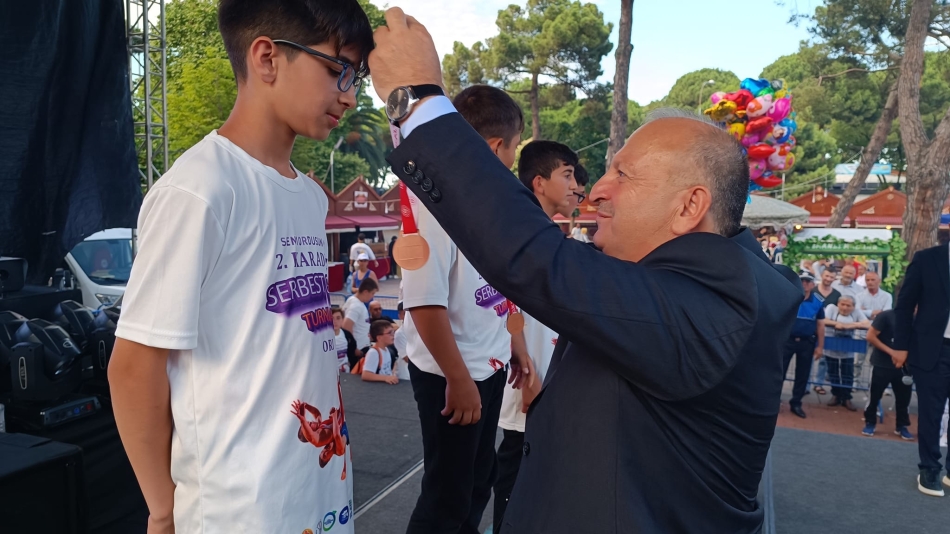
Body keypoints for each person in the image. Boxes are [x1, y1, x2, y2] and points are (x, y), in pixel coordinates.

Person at [369, 17, 801, 530]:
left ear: (689, 207)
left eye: (623, 174)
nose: (596, 191)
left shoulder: (720, 306)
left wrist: (419, 102)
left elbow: (538, 260)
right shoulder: (707, 284)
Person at [107, 2, 373, 532]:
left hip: (320, 485)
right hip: (237, 509)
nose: (349, 95)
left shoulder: (308, 197)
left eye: (356, 77)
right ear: (267, 58)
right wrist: (163, 509)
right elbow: (134, 366)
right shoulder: (199, 190)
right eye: (337, 69)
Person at [399, 84, 531, 534]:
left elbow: (497, 286)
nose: (513, 160)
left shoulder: (485, 207)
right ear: (494, 148)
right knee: (447, 496)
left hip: (487, 366)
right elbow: (425, 303)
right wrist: (457, 379)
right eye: (514, 149)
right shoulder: (434, 205)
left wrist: (515, 343)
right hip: (451, 374)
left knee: (479, 481)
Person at [494, 140, 578, 532]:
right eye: (567, 175)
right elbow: (506, 303)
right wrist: (527, 375)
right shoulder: (519, 234)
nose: (575, 186)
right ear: (539, 183)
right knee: (515, 476)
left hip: (546, 372)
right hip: (527, 377)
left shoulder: (547, 234)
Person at [893, 242, 950, 497]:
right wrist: (900, 346)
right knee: (931, 413)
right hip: (933, 349)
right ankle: (929, 468)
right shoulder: (927, 259)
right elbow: (905, 305)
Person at [862, 309, 914, 440]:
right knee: (874, 396)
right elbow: (870, 336)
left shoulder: (916, 319)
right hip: (882, 363)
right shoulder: (886, 316)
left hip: (905, 366)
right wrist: (892, 352)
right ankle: (870, 422)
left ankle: (902, 425)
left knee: (904, 399)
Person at [782, 272, 826, 419]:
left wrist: (820, 347)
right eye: (802, 281)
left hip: (807, 342)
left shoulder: (818, 301)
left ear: (813, 284)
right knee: (779, 372)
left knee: (803, 374)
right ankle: (774, 400)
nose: (805, 284)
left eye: (808, 281)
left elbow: (820, 325)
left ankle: (796, 403)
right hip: (787, 341)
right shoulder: (788, 297)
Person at [822, 295, 871, 411]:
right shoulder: (831, 308)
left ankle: (847, 397)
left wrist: (849, 326)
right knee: (832, 372)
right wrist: (836, 324)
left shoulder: (857, 312)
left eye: (848, 305)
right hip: (831, 345)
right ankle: (835, 395)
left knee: (847, 373)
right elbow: (824, 320)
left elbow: (867, 324)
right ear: (838, 304)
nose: (845, 308)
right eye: (842, 304)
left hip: (848, 347)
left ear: (853, 307)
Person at [855, 272, 893, 386]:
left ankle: (876, 385)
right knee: (857, 360)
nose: (870, 282)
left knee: (879, 361)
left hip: (880, 333)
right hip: (861, 332)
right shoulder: (859, 296)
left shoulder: (887, 296)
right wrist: (873, 312)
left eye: (873, 280)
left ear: (879, 281)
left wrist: (865, 312)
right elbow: (857, 312)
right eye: (868, 280)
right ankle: (854, 383)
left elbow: (886, 314)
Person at [360, 320, 399, 384]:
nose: (393, 335)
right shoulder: (373, 353)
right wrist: (386, 378)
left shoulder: (386, 349)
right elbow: (366, 375)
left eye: (393, 332)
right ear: (379, 338)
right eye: (390, 333)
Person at [343, 277, 378, 347]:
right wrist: (353, 347)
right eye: (372, 293)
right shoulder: (356, 306)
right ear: (365, 292)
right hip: (359, 347)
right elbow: (346, 326)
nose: (372, 296)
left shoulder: (352, 300)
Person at [332, 307, 359, 374]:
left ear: (342, 319)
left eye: (338, 318)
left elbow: (352, 353)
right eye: (331, 318)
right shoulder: (322, 338)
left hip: (345, 373)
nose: (335, 321)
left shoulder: (347, 335)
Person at [394, 303, 410, 381]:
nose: (408, 316)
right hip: (406, 373)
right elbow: (406, 358)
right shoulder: (399, 334)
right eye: (405, 314)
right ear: (400, 316)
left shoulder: (419, 330)